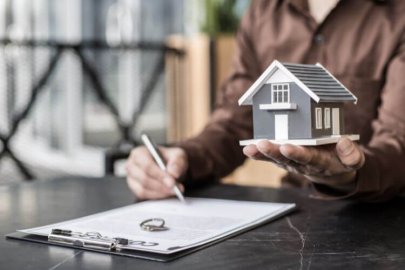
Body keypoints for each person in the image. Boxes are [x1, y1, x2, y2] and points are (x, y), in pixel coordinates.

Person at [126, 0, 405, 202]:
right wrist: (184, 158)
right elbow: (235, 121)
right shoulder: (262, 11)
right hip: (292, 216)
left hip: (382, 219)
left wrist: (345, 175)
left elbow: (398, 141)